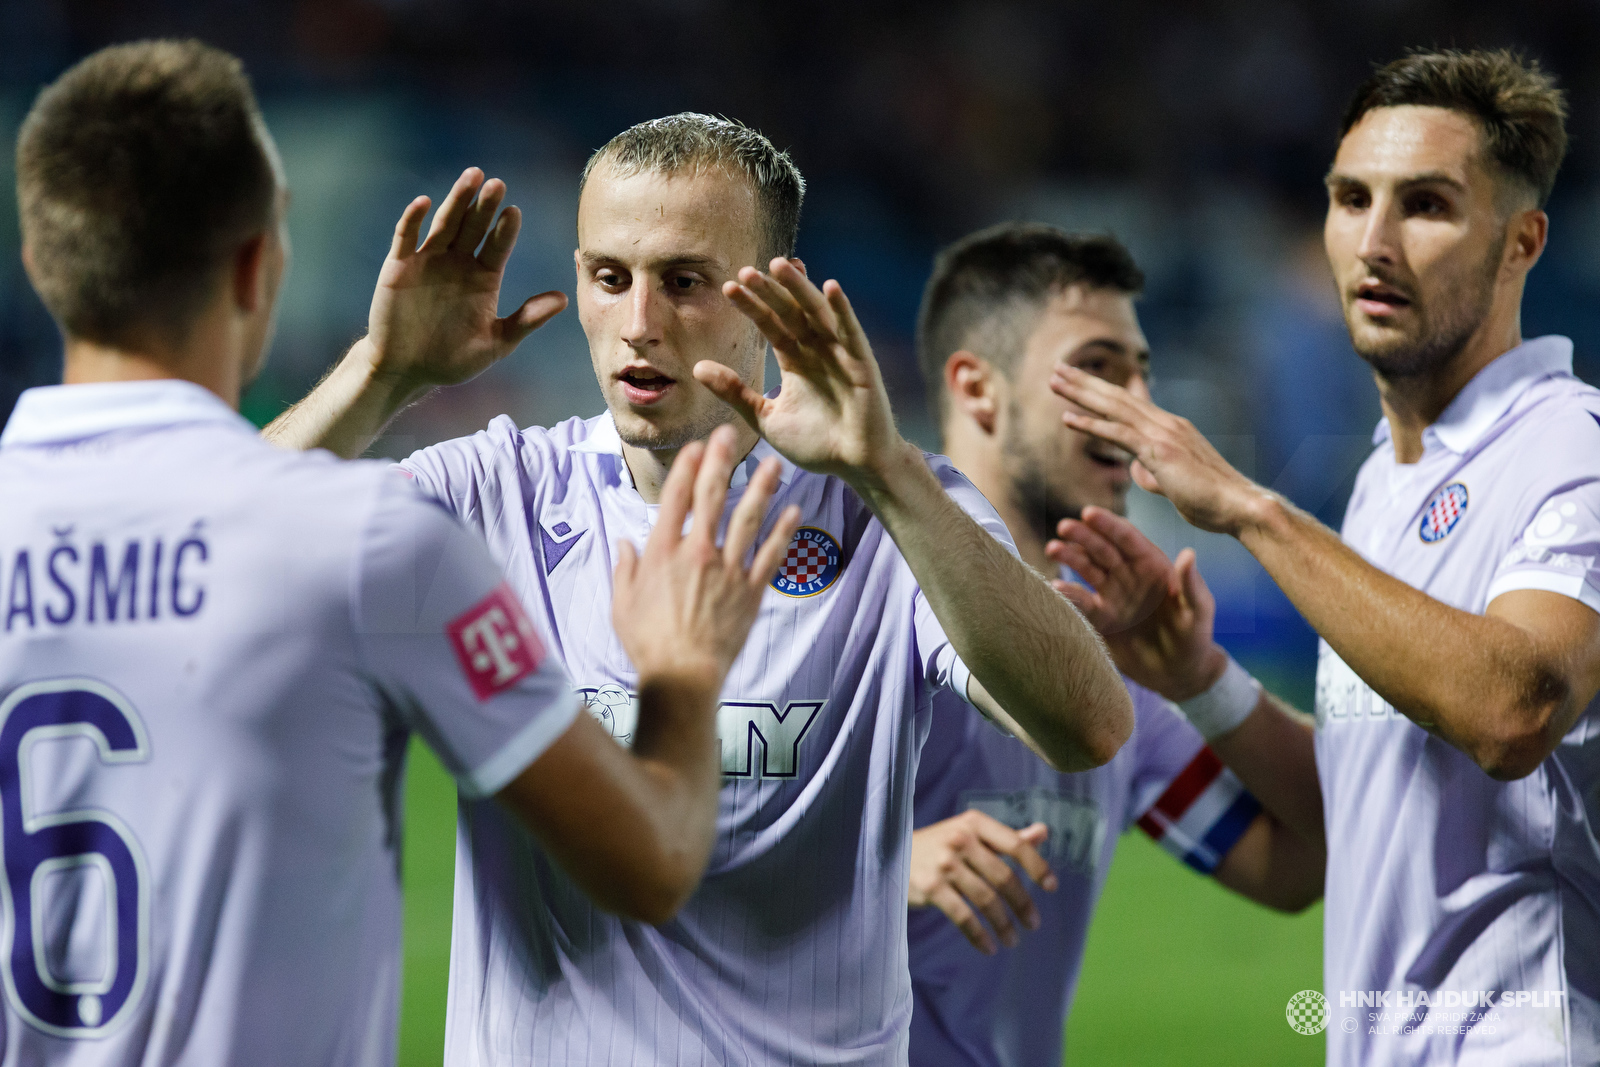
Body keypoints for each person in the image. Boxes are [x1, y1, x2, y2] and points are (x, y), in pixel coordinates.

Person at [265, 113, 1133, 1064]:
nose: (639, 322)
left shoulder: (884, 507)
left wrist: (888, 474)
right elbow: (227, 547)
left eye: (684, 282)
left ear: (770, 297)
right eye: (609, 278)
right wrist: (381, 374)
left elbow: (1087, 725)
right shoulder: (498, 495)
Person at [1, 42, 796, 1065]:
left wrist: (382, 372)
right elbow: (649, 862)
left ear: (37, 258)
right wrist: (681, 672)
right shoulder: (373, 544)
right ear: (258, 266)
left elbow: (203, 514)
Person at [1049, 49, 1600, 1064]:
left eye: (1425, 205)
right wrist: (1199, 678)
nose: (1373, 242)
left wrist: (1252, 513)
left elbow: (1511, 709)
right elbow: (1365, 802)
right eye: (1351, 199)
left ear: (1521, 242)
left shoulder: (1571, 449)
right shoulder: (1385, 486)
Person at [902, 223, 1325, 1067]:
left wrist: (1200, 678)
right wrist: (879, 865)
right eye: (1098, 369)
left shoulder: (1106, 662)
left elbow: (1296, 862)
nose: (1140, 410)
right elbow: (660, 856)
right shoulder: (850, 600)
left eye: (1141, 376)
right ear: (978, 390)